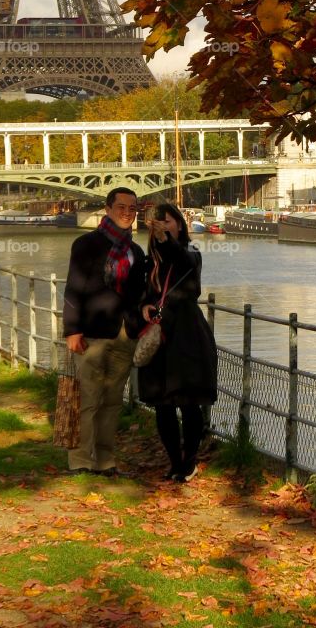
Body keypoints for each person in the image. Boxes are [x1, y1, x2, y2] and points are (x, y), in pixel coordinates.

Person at [62, 187, 146, 475]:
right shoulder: (86, 244)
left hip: (125, 334)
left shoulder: (136, 251)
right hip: (92, 332)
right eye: (121, 207)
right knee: (88, 399)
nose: (127, 213)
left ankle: (105, 460)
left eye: (132, 208)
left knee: (112, 401)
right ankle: (81, 460)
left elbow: (139, 294)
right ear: (108, 209)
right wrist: (72, 330)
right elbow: (73, 288)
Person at [139, 202, 218, 483]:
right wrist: (144, 306)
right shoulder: (152, 259)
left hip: (185, 334)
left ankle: (189, 461)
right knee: (163, 403)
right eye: (158, 223)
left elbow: (187, 273)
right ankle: (175, 462)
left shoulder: (189, 253)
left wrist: (166, 241)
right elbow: (145, 292)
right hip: (159, 332)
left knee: (188, 400)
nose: (163, 227)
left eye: (169, 222)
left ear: (180, 226)